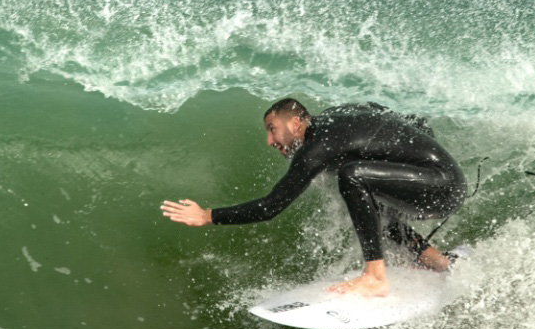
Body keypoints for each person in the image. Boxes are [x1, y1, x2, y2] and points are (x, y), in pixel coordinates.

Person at [161, 99, 468, 297]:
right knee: (367, 201)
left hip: (439, 187)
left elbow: (271, 207)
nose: (269, 141)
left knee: (353, 175)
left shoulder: (317, 147)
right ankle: (437, 261)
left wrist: (208, 216)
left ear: (297, 123)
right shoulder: (338, 120)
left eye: (272, 130)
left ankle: (375, 276)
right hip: (438, 181)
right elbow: (381, 109)